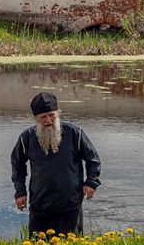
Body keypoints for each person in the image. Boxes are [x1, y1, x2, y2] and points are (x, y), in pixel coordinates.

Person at [11, 92, 101, 236]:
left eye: (51, 115)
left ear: (57, 113)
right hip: (39, 204)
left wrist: (91, 182)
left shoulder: (74, 133)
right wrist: (20, 192)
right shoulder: (26, 138)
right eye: (43, 117)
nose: (48, 120)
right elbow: (17, 165)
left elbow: (93, 159)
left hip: (70, 205)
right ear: (36, 119)